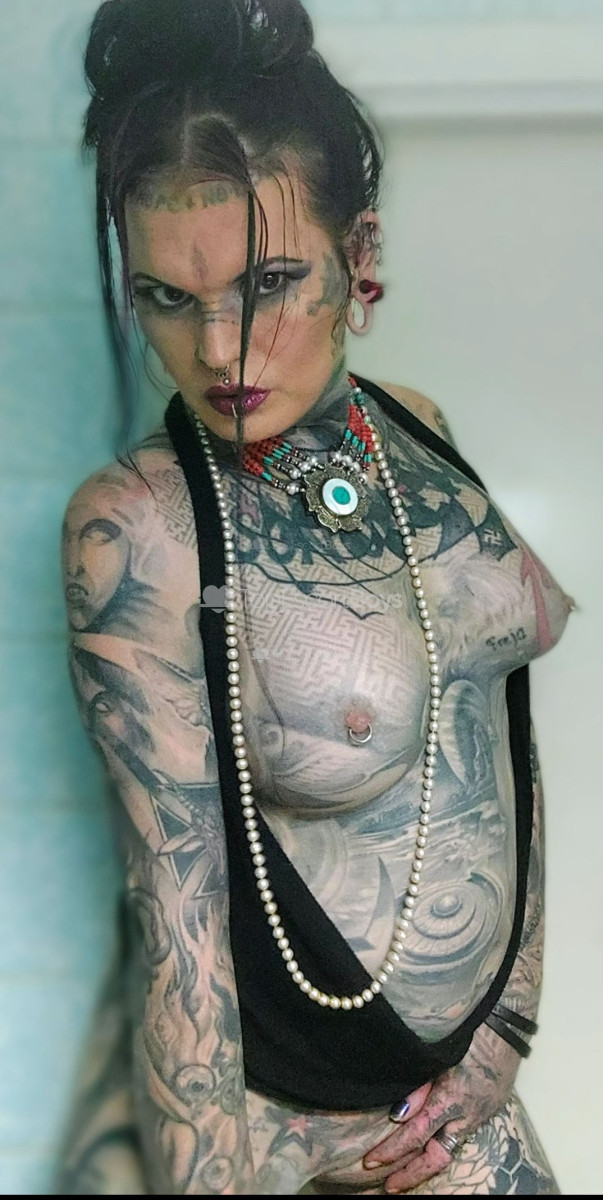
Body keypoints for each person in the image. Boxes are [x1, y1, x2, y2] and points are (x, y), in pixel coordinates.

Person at [57, 1, 576, 1194]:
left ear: (362, 253)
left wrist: (509, 1020)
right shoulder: (136, 528)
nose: (220, 351)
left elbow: (494, 729)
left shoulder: (417, 433)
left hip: (446, 1103)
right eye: (167, 298)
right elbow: (176, 925)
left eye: (271, 282)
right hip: (272, 1128)